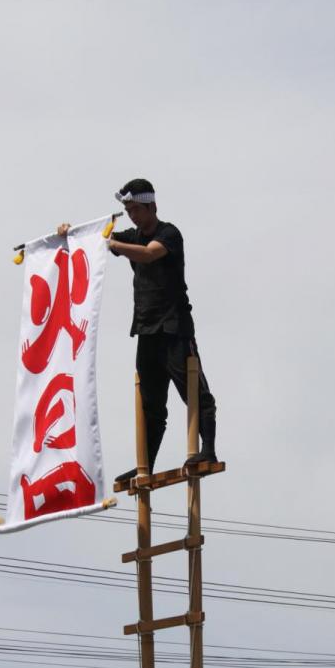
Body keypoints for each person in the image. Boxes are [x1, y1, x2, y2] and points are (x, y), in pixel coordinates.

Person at [105, 177, 217, 481]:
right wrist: (71, 233)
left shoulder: (169, 234)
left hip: (174, 329)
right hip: (146, 332)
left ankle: (207, 449)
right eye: (129, 212)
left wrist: (114, 244)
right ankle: (146, 465)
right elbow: (99, 239)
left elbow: (149, 253)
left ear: (152, 207)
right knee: (151, 405)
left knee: (195, 392)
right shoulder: (132, 236)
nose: (133, 217)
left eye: (137, 210)